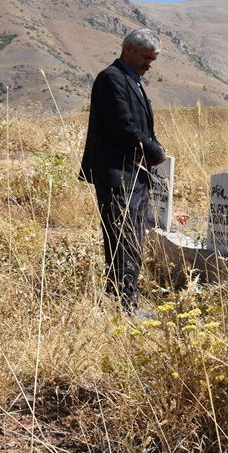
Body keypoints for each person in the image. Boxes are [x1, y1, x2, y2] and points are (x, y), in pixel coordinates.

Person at [79, 29, 166, 313]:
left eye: (153, 59)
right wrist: (154, 151)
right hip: (117, 175)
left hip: (134, 174)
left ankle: (120, 298)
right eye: (145, 57)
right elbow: (122, 125)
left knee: (132, 239)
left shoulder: (132, 80)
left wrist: (153, 147)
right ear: (128, 49)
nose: (149, 64)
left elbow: (139, 126)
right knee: (123, 241)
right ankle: (126, 307)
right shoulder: (111, 78)